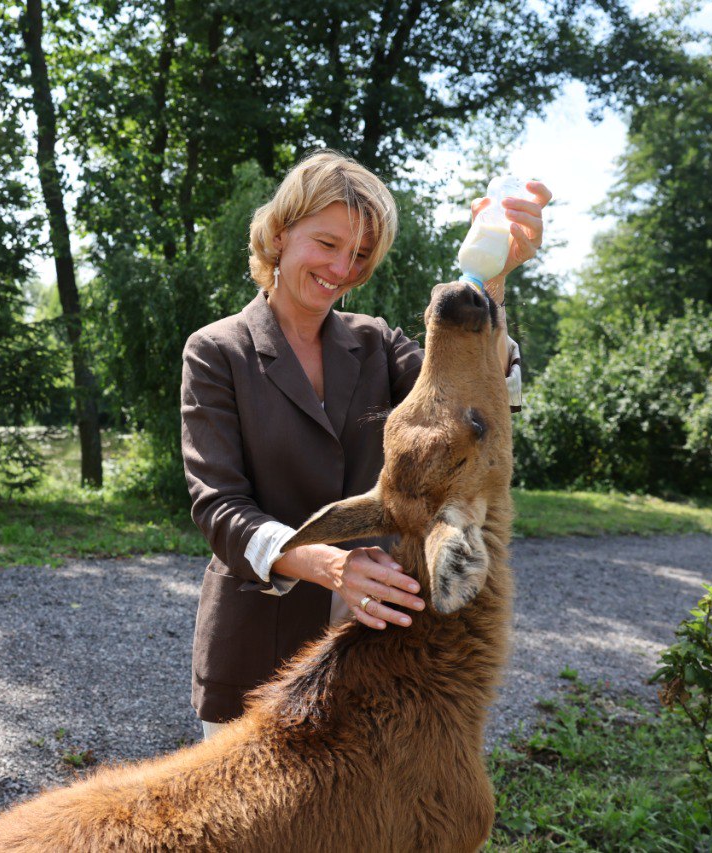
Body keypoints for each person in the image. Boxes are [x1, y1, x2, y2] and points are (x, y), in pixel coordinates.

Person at [180, 150, 550, 739]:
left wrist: (496, 276)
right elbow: (218, 507)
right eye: (327, 243)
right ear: (278, 234)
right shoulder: (218, 350)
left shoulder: (376, 342)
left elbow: (475, 400)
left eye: (359, 255)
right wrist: (332, 565)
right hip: (255, 661)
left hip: (379, 660)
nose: (342, 268)